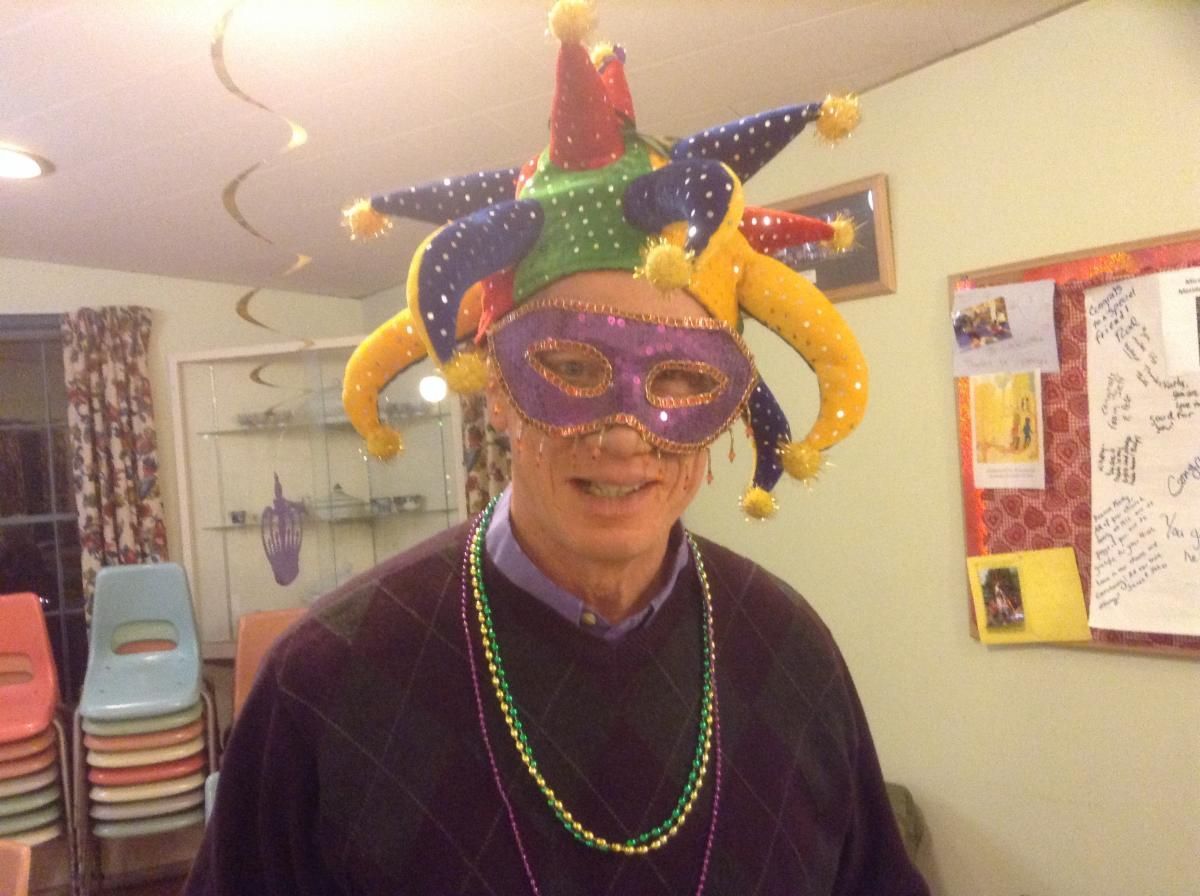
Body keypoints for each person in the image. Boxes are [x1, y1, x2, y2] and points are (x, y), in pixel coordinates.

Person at [185, 3, 928, 894]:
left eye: (683, 379)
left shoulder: (792, 653)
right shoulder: (323, 684)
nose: (623, 433)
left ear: (729, 405)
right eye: (570, 367)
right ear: (496, 388)